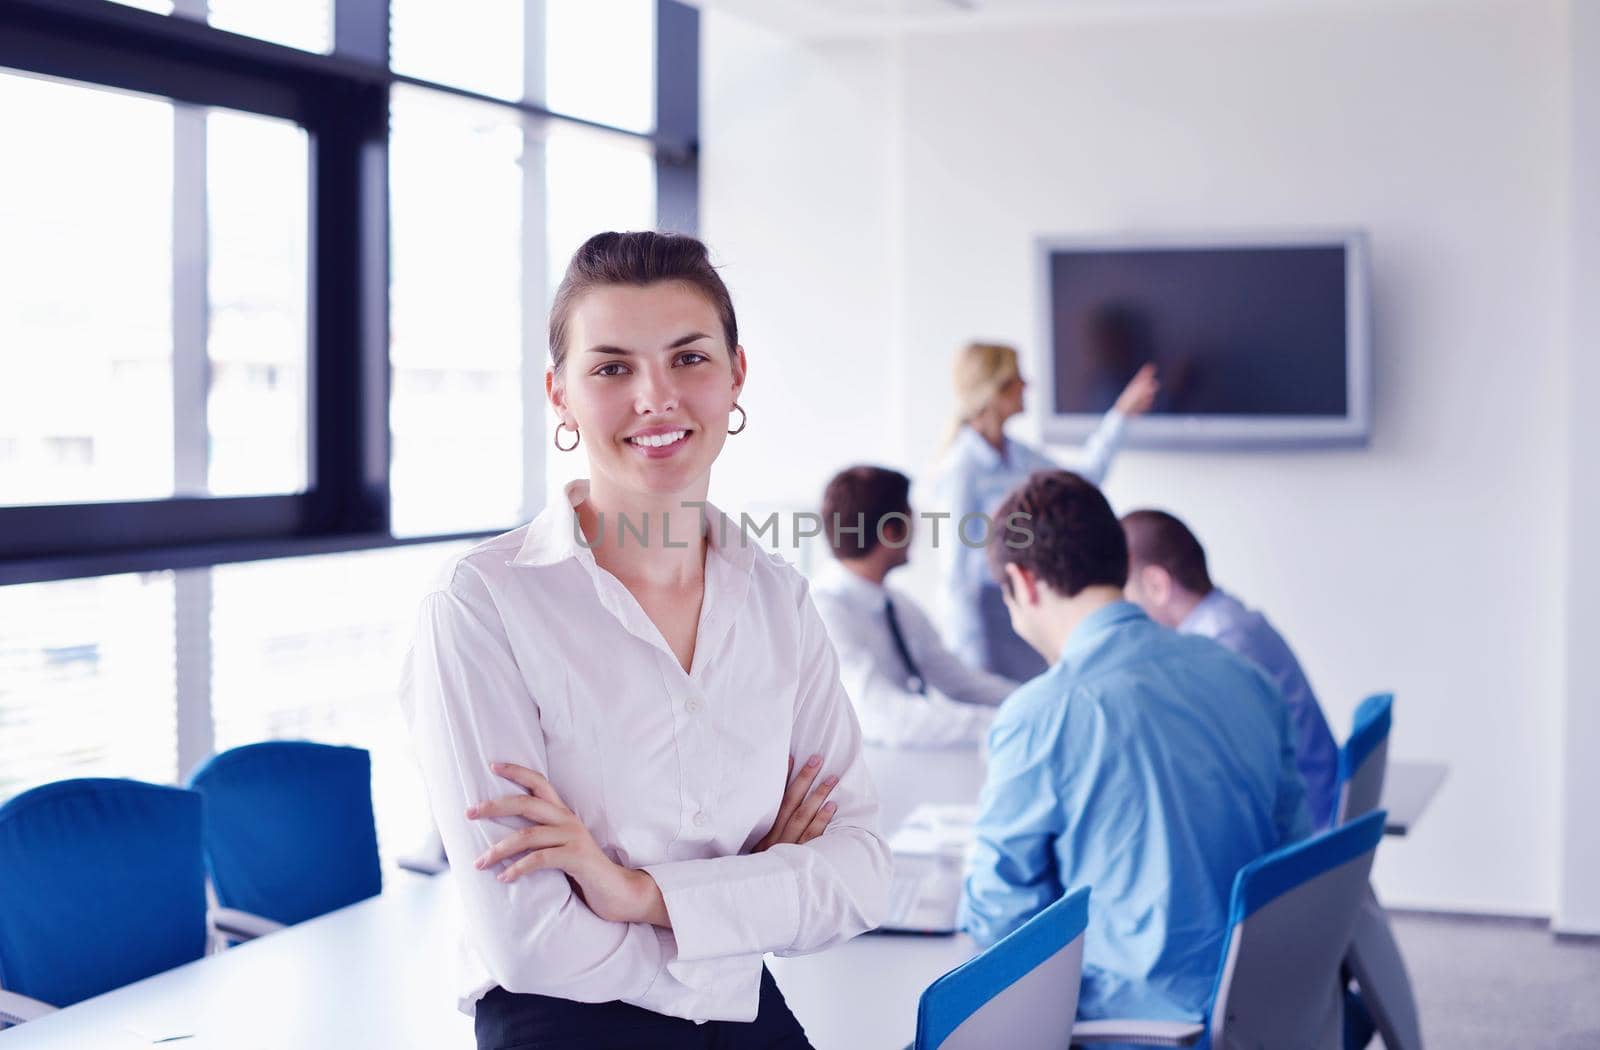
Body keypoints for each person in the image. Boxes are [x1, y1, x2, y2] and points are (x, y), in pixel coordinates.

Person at [401, 231, 890, 1050]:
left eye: (689, 358)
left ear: (737, 374)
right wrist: (745, 895)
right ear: (559, 395)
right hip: (566, 1022)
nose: (656, 397)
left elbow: (862, 874)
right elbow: (526, 939)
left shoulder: (778, 600)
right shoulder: (483, 605)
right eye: (612, 367)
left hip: (742, 1009)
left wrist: (637, 892)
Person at [958, 470, 1310, 1029]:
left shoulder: (1039, 716)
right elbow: (1295, 850)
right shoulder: (1244, 676)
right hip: (1266, 1009)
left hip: (1140, 1028)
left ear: (1023, 584)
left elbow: (1002, 928)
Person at [928, 341, 1158, 682]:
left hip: (1032, 605)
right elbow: (955, 576)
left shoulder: (1017, 456)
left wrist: (1120, 416)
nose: (1027, 385)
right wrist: (972, 666)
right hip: (988, 620)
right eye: (1018, 377)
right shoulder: (961, 469)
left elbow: (1079, 482)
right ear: (998, 388)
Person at [1121, 508, 1340, 828]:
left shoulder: (1222, 650)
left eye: (1123, 591)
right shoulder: (1233, 621)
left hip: (1304, 840)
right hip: (1317, 820)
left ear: (1156, 585)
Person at [810, 465, 1017, 748]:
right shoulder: (823, 611)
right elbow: (883, 716)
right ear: (891, 531)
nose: (917, 529)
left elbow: (960, 681)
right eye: (911, 517)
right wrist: (1008, 723)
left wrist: (1036, 702)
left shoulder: (896, 605)